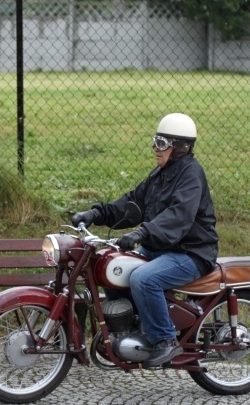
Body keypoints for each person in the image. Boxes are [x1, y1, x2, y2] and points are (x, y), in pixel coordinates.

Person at [71, 113, 219, 367]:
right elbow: (132, 203)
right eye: (155, 141)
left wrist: (142, 233)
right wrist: (96, 213)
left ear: (180, 147)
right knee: (113, 268)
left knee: (144, 278)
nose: (155, 148)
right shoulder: (161, 174)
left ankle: (164, 339)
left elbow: (178, 216)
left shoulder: (191, 175)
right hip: (161, 248)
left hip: (192, 252)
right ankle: (132, 330)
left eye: (162, 143)